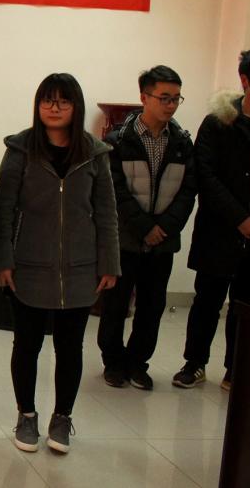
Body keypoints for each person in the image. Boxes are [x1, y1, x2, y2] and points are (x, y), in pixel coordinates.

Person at [0, 73, 119, 455]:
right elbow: (4, 210)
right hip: (28, 265)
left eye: (63, 101)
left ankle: (62, 418)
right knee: (26, 345)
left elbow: (107, 213)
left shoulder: (95, 153)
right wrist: (3, 260)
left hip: (81, 268)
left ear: (76, 106)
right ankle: (26, 415)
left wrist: (109, 263)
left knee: (70, 347)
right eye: (47, 100)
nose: (55, 107)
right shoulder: (20, 149)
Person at [97, 66, 196, 391]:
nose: (171, 105)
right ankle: (113, 362)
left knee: (152, 307)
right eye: (164, 97)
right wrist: (143, 227)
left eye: (176, 98)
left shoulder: (182, 142)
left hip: (162, 242)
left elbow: (188, 192)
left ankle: (138, 363)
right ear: (144, 97)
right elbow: (114, 191)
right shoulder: (118, 140)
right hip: (125, 239)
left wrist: (163, 228)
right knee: (116, 304)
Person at [174, 46, 250, 391]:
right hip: (219, 229)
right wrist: (240, 218)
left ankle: (236, 368)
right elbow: (205, 175)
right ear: (245, 80)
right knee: (207, 301)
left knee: (249, 304)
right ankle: (194, 363)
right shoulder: (219, 122)